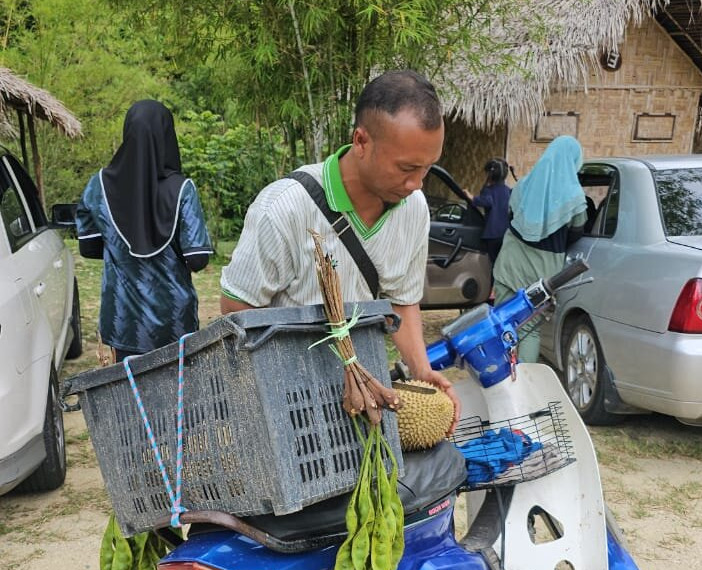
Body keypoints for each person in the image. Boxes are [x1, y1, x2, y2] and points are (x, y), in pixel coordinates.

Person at [220, 69, 459, 427]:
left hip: (366, 400)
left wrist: (421, 369)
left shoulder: (415, 208)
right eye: (407, 168)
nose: (416, 183)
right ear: (361, 141)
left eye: (426, 168)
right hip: (288, 403)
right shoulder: (284, 209)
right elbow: (237, 311)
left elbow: (402, 299)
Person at [76, 100, 213, 362]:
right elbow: (198, 258)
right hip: (175, 324)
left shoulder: (99, 185)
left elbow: (88, 246)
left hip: (121, 323)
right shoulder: (182, 189)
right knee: (179, 399)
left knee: (129, 400)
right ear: (167, 136)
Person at [493, 135, 587, 363]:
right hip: (543, 272)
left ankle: (500, 379)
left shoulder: (523, 186)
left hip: (510, 263)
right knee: (529, 329)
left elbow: (511, 217)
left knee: (503, 322)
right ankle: (524, 384)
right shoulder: (575, 198)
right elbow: (577, 232)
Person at [468, 157, 514, 270]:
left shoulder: (488, 190)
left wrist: (471, 197)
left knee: (491, 264)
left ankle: (492, 285)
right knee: (501, 263)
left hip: (492, 235)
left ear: (489, 174)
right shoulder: (508, 191)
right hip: (505, 233)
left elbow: (487, 202)